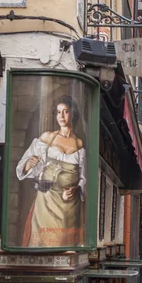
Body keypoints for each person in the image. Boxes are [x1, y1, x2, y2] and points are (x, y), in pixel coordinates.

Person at [16, 96, 86, 247]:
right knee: (43, 241)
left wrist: (76, 188)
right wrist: (29, 164)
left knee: (64, 244)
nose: (61, 116)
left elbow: (83, 177)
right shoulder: (47, 138)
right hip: (46, 200)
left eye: (65, 112)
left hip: (69, 204)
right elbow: (23, 168)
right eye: (58, 112)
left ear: (72, 115)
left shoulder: (79, 144)